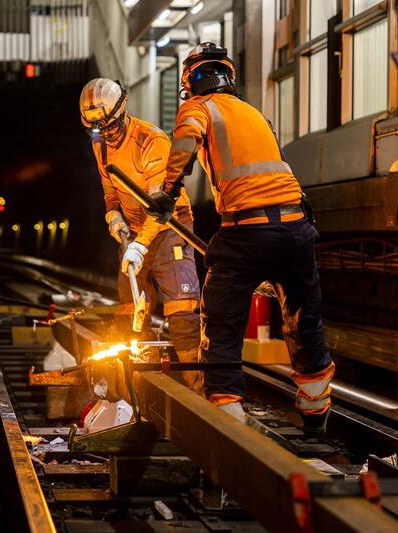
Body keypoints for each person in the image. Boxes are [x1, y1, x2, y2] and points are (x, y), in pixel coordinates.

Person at [145, 43, 334, 433]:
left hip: (246, 228)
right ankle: (315, 408)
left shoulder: (199, 107)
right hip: (297, 226)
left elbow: (184, 144)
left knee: (221, 318)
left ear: (189, 82)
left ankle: (227, 410)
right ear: (229, 76)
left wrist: (167, 190)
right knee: (303, 316)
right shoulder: (254, 113)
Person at [79, 78, 203, 393]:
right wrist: (113, 213)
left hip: (171, 228)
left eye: (109, 127)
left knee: (181, 314)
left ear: (122, 110)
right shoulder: (100, 144)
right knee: (131, 311)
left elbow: (161, 208)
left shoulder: (151, 142)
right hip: (134, 232)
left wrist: (140, 245)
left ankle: (198, 391)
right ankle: (141, 387)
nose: (105, 134)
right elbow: (110, 186)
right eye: (98, 130)